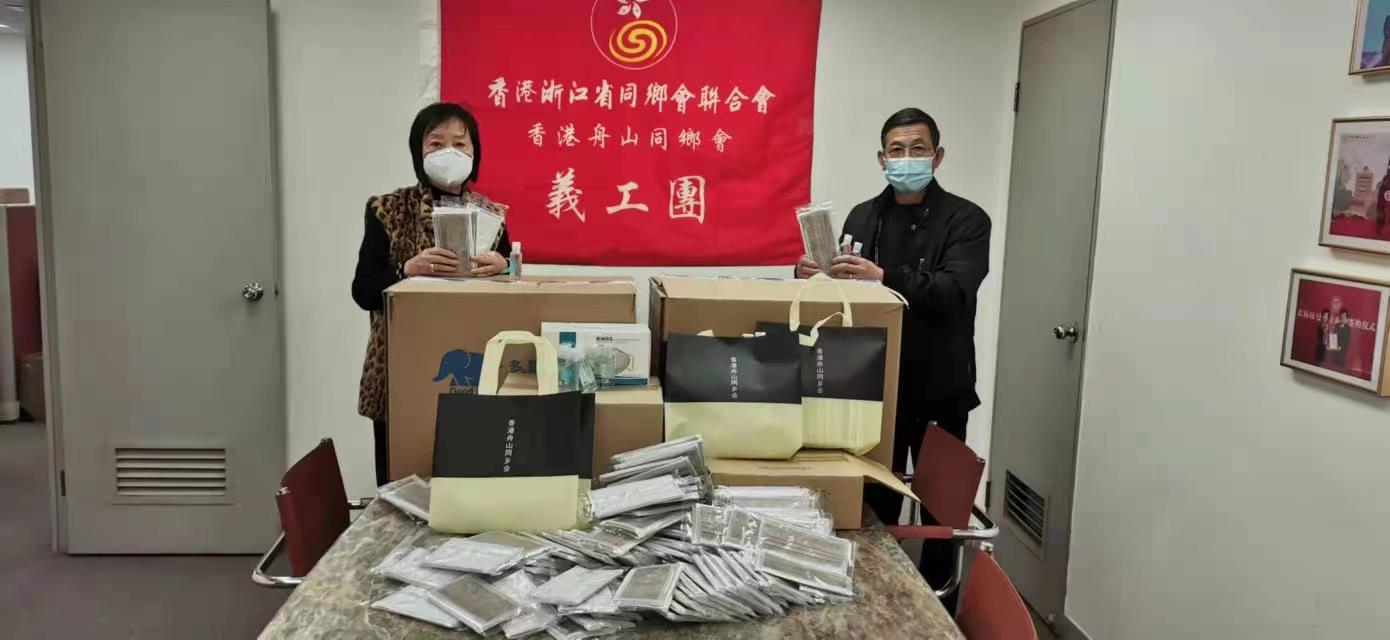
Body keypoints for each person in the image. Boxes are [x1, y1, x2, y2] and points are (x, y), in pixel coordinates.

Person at [797, 108, 990, 604]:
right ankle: (870, 603)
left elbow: (955, 290)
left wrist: (884, 277)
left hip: (940, 388)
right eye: (896, 150)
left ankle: (939, 611)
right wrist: (816, 276)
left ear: (937, 156)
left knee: (940, 513)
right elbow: (845, 300)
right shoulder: (864, 216)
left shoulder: (967, 219)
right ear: (882, 159)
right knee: (871, 504)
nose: (907, 158)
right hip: (873, 386)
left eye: (917, 149)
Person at [352, 102, 511, 486]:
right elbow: (363, 291)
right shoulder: (387, 210)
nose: (449, 152)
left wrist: (505, 268)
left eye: (460, 144)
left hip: (471, 368)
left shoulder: (491, 214)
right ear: (418, 152)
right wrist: (406, 270)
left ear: (474, 153)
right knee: (402, 484)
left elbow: (514, 292)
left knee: (469, 481)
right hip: (401, 371)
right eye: (436, 144)